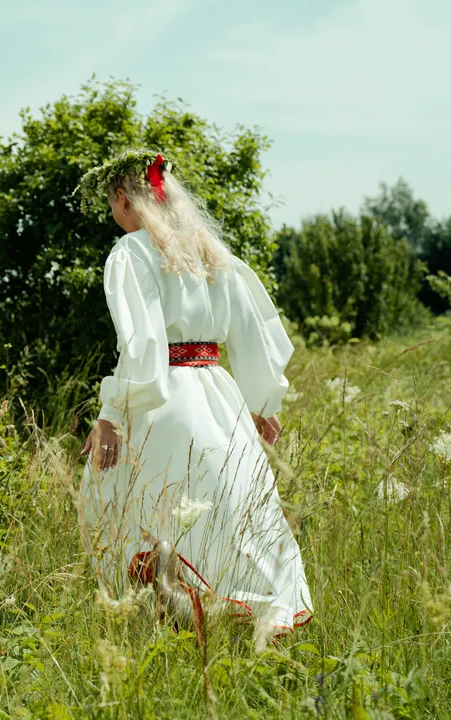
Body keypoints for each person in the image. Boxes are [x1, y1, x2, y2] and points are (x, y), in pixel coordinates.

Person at [75, 150, 313, 637]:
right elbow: (254, 330)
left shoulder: (130, 252)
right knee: (227, 509)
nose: (111, 213)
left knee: (116, 499)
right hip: (216, 394)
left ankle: (163, 618)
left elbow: (140, 345)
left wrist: (110, 413)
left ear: (124, 199)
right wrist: (264, 402)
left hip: (163, 398)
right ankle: (242, 614)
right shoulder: (208, 251)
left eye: (111, 203)